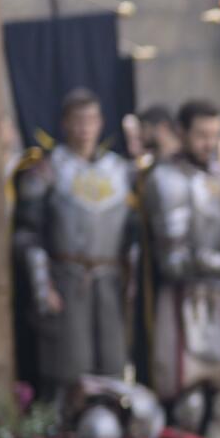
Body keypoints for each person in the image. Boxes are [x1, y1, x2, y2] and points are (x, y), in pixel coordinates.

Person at [13, 88, 136, 404]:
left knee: (112, 366)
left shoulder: (120, 170)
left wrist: (131, 280)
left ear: (100, 123)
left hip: (110, 279)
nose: (84, 129)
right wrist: (43, 286)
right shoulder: (47, 169)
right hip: (66, 278)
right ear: (66, 123)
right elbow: (28, 234)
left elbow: (134, 235)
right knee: (68, 369)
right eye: (77, 121)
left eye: (91, 120)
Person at [145, 99, 220, 438]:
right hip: (182, 301)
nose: (209, 143)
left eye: (214, 135)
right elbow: (175, 260)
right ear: (182, 133)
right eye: (202, 135)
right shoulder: (165, 179)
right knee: (188, 403)